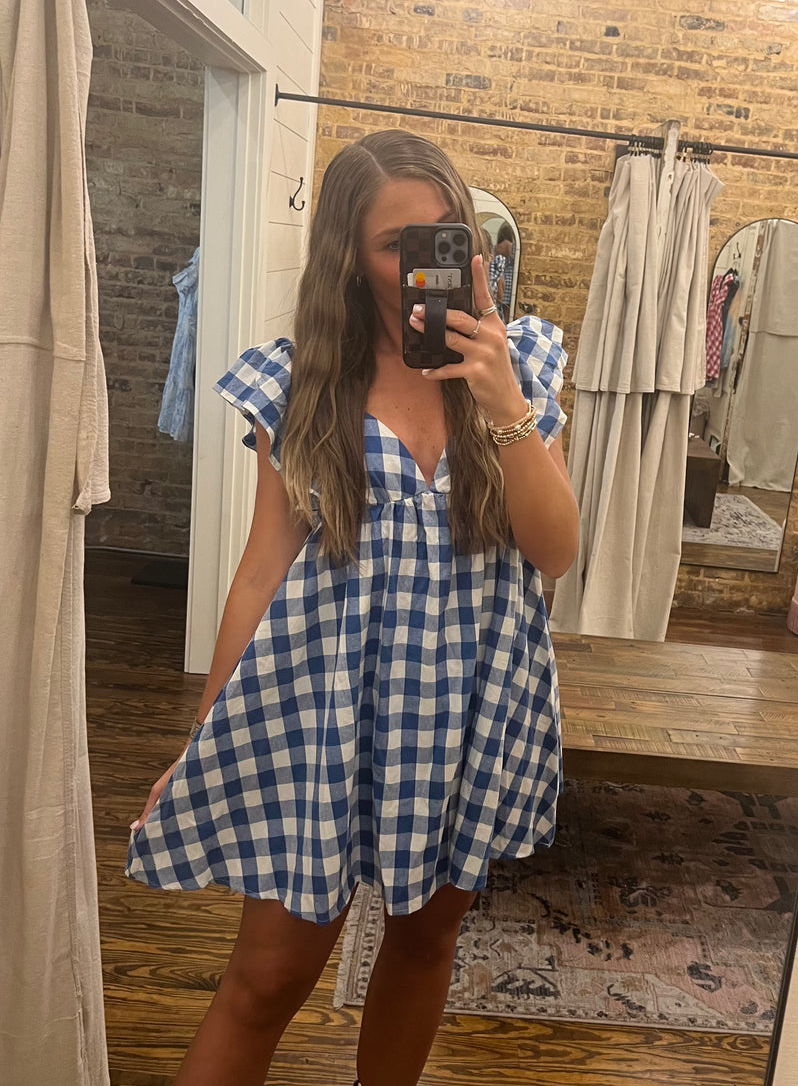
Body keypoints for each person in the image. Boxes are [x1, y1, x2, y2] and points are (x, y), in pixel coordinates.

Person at [126, 129, 579, 1086]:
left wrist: (503, 402)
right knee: (263, 981)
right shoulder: (302, 385)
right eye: (395, 243)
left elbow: (556, 552)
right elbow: (261, 569)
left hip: (472, 708)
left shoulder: (523, 363)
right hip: (328, 709)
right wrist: (204, 738)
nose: (427, 259)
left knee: (424, 943)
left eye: (446, 229)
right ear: (349, 255)